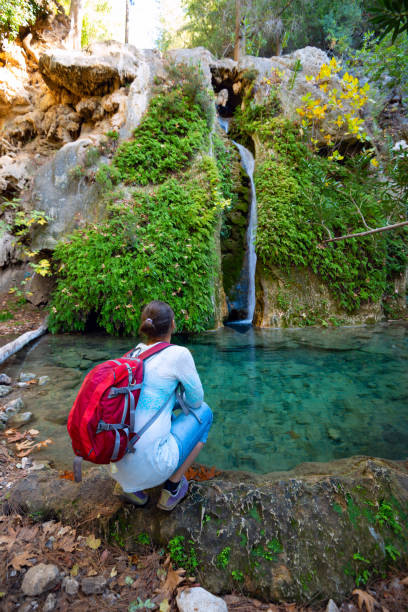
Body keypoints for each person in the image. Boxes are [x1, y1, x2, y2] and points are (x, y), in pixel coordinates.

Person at [110, 300, 213, 511]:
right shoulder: (179, 354)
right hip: (153, 465)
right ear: (173, 325)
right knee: (205, 413)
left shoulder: (131, 355)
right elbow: (196, 401)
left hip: (115, 462)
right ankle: (173, 487)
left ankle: (127, 487)